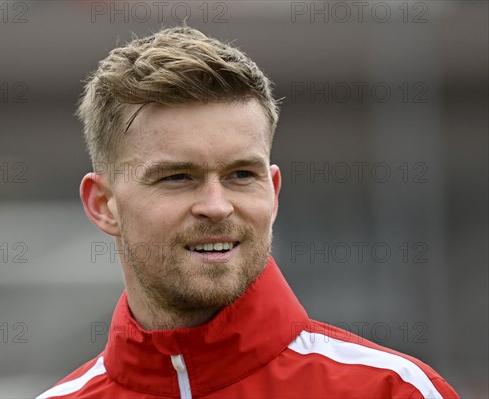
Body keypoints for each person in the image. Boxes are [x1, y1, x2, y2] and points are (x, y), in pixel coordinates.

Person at [37, 25, 459, 399]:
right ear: (102, 205)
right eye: (177, 177)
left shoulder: (394, 391)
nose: (217, 207)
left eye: (241, 174)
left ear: (273, 192)